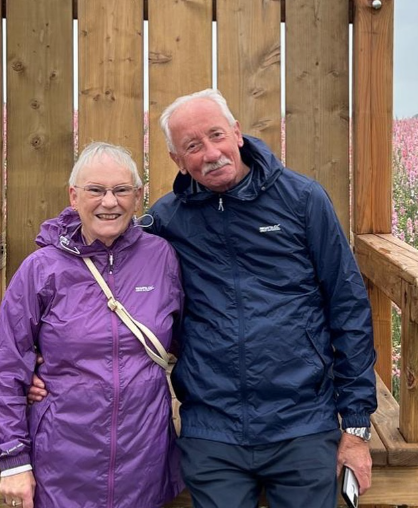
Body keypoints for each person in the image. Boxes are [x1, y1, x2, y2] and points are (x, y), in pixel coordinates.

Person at [30, 89, 377, 508]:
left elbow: (348, 305)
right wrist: (40, 354)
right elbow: (96, 253)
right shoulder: (166, 221)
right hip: (212, 425)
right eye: (193, 146)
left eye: (216, 135)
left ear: (237, 133)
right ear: (177, 160)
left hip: (301, 419)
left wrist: (356, 425)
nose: (211, 153)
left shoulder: (302, 200)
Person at [0, 142, 184, 508]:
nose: (110, 202)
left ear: (137, 198)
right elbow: (7, 362)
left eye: (121, 190)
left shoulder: (161, 258)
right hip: (62, 458)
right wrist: (13, 459)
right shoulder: (42, 268)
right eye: (96, 190)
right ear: (74, 196)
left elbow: (187, 339)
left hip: (144, 453)